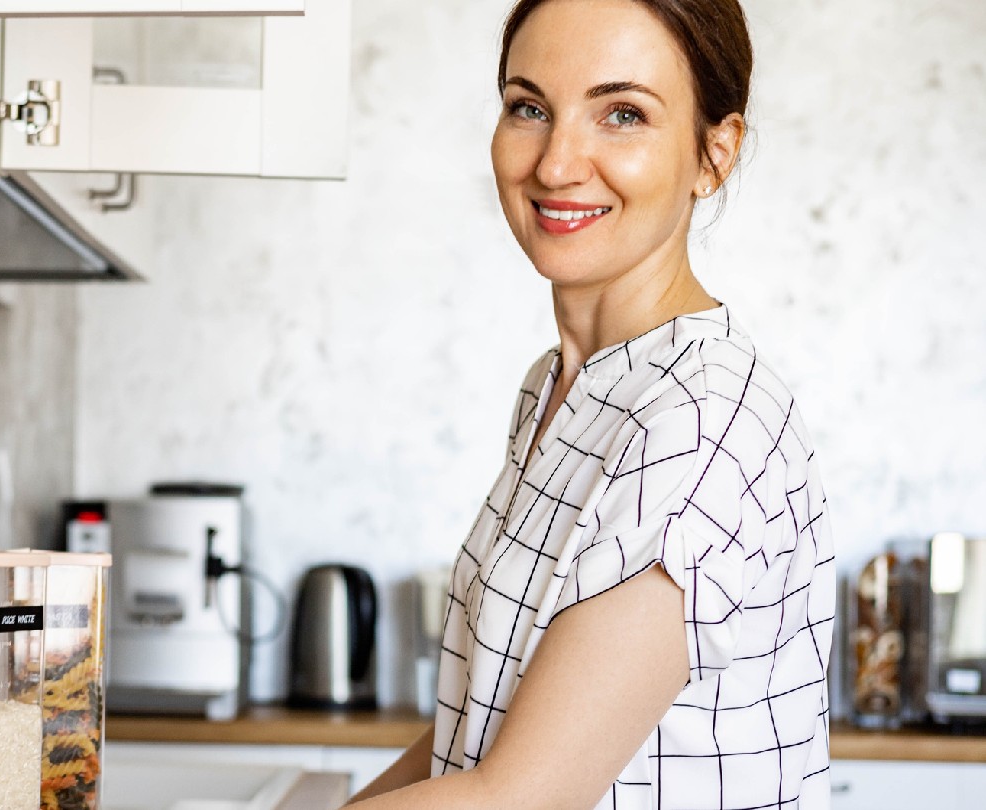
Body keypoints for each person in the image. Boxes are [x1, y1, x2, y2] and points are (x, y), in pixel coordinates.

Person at [347, 0, 836, 807]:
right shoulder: (560, 386)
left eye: (622, 114)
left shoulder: (700, 419)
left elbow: (518, 798)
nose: (556, 163)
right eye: (529, 107)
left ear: (714, 154)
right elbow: (487, 723)